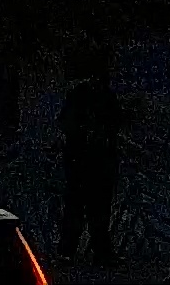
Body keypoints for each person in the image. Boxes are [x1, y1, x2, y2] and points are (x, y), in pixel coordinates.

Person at [58, 68, 122, 260]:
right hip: (82, 161)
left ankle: (98, 249)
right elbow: (68, 124)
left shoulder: (104, 97)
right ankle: (69, 249)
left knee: (97, 209)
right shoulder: (80, 96)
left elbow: (114, 125)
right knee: (78, 207)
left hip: (96, 163)